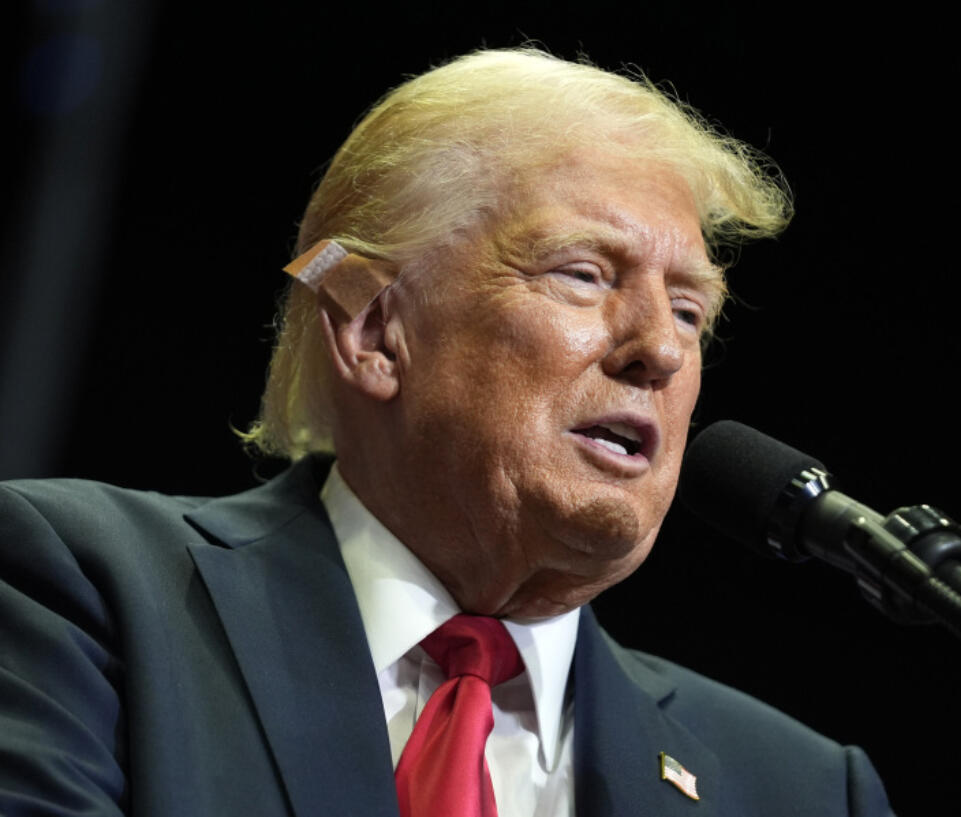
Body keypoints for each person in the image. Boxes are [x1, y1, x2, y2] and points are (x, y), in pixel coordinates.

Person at [0, 48, 895, 816]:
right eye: (584, 274)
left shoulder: (799, 788)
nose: (659, 348)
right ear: (373, 329)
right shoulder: (81, 598)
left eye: (692, 310)